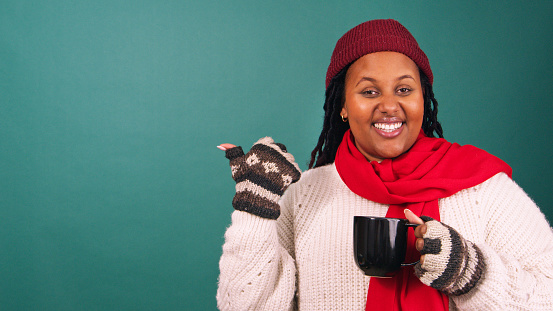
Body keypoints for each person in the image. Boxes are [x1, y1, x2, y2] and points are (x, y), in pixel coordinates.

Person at [215, 19, 553, 310]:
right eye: (370, 92)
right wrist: (255, 210)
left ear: (423, 98)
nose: (390, 106)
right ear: (343, 106)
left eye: (404, 89)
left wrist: (470, 272)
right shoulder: (303, 196)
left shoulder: (483, 189)